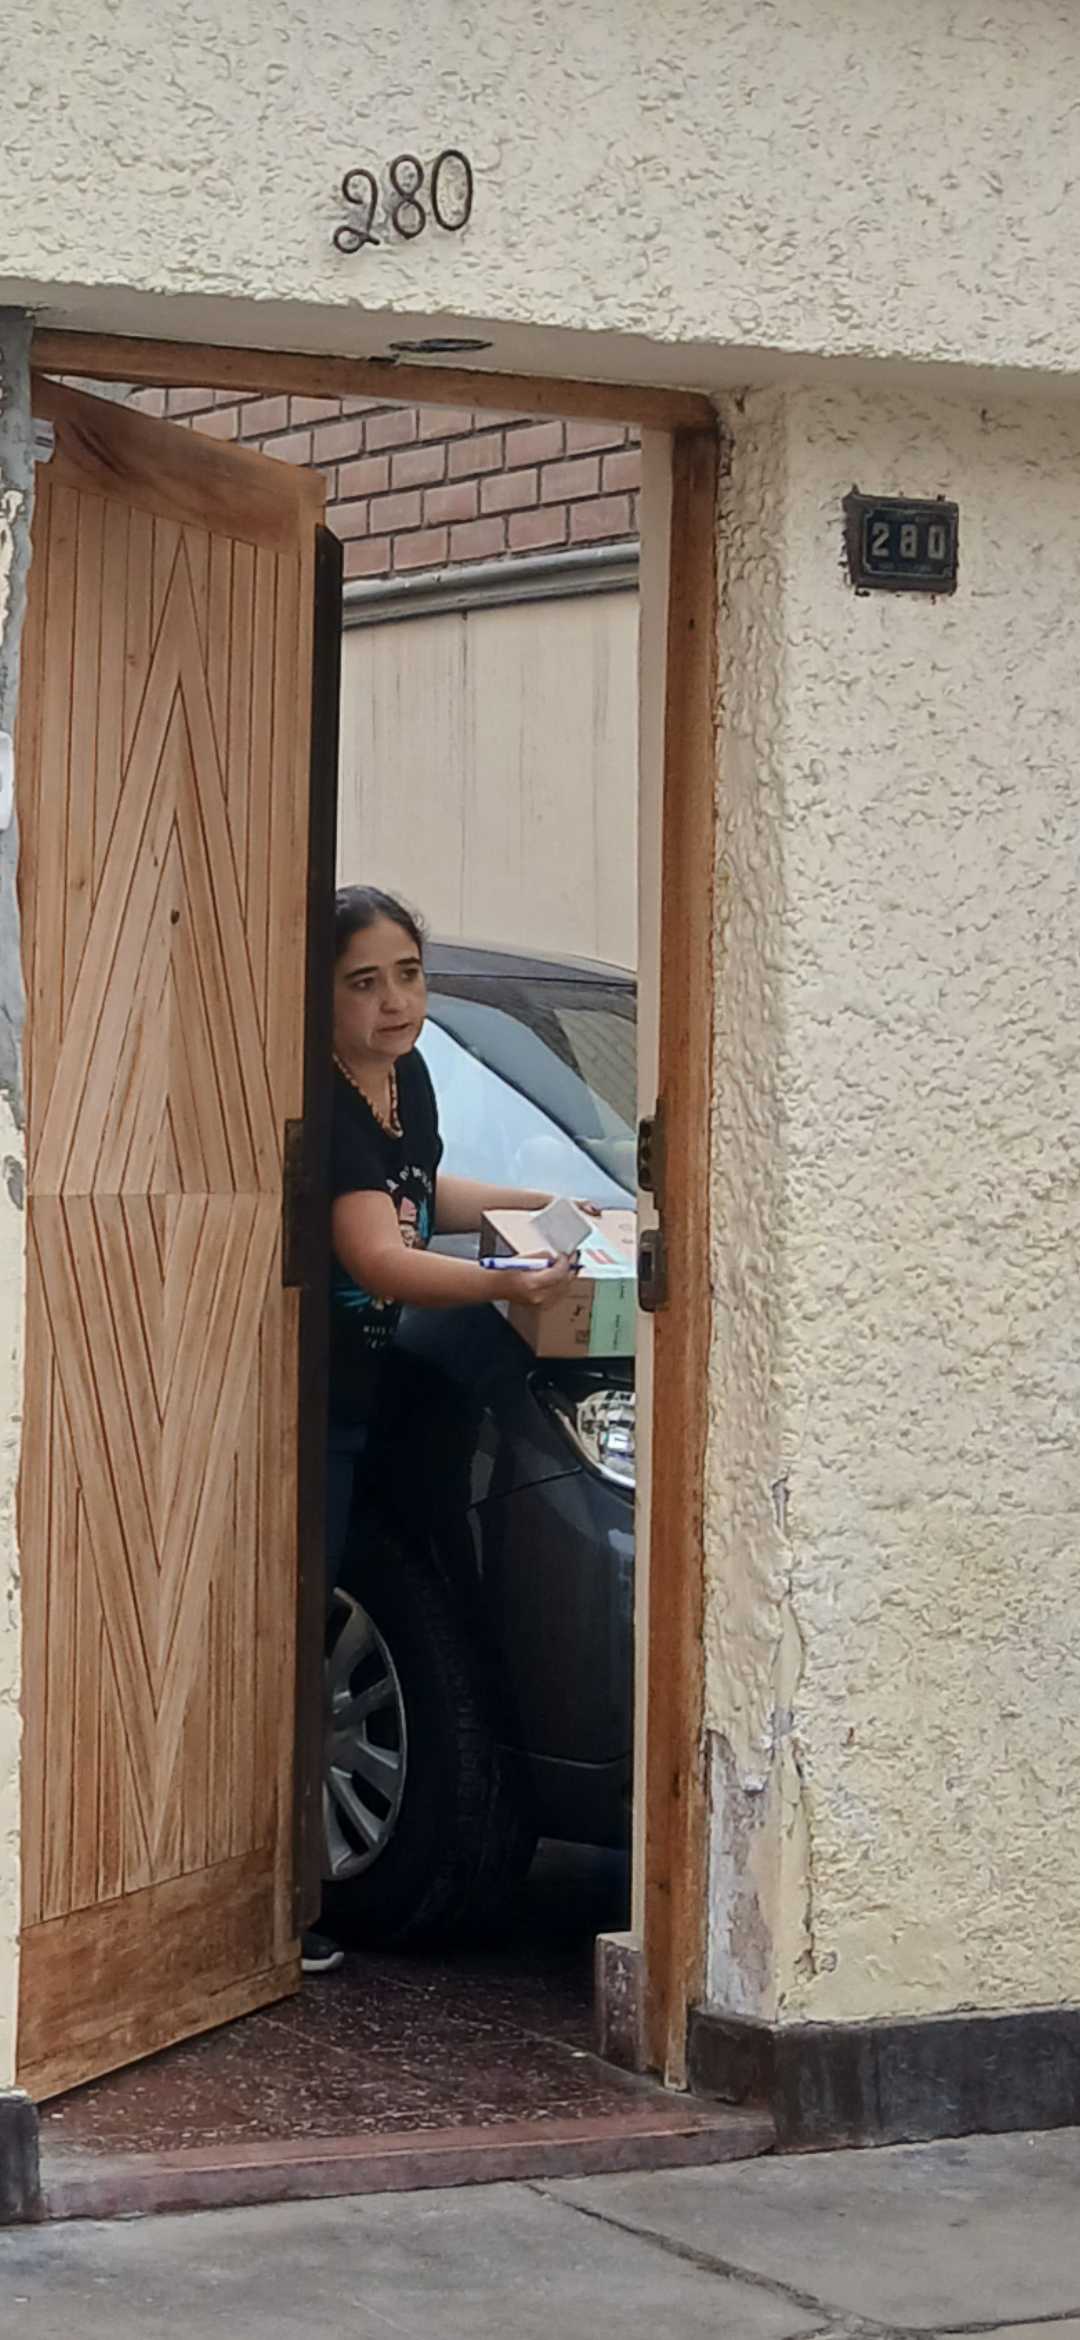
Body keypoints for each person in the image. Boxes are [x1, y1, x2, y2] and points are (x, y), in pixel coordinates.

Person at [302, 885, 580, 1973]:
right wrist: (508, 1281)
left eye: (409, 975)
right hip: (303, 1402)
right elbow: (377, 1254)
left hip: (367, 1390)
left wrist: (551, 1210)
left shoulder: (406, 1079)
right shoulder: (324, 1101)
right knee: (291, 1640)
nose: (395, 1003)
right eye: (364, 983)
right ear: (321, 996)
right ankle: (282, 1906)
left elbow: (422, 1190)